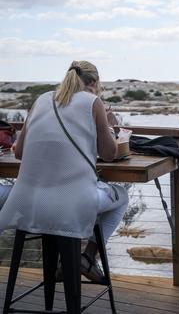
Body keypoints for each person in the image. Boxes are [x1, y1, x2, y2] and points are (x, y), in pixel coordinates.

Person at [0, 61, 129, 283]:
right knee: (122, 196)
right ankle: (87, 256)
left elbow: (20, 152)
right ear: (94, 83)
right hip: (69, 203)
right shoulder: (93, 102)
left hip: (27, 202)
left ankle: (65, 265)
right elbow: (109, 154)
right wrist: (109, 126)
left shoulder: (41, 100)